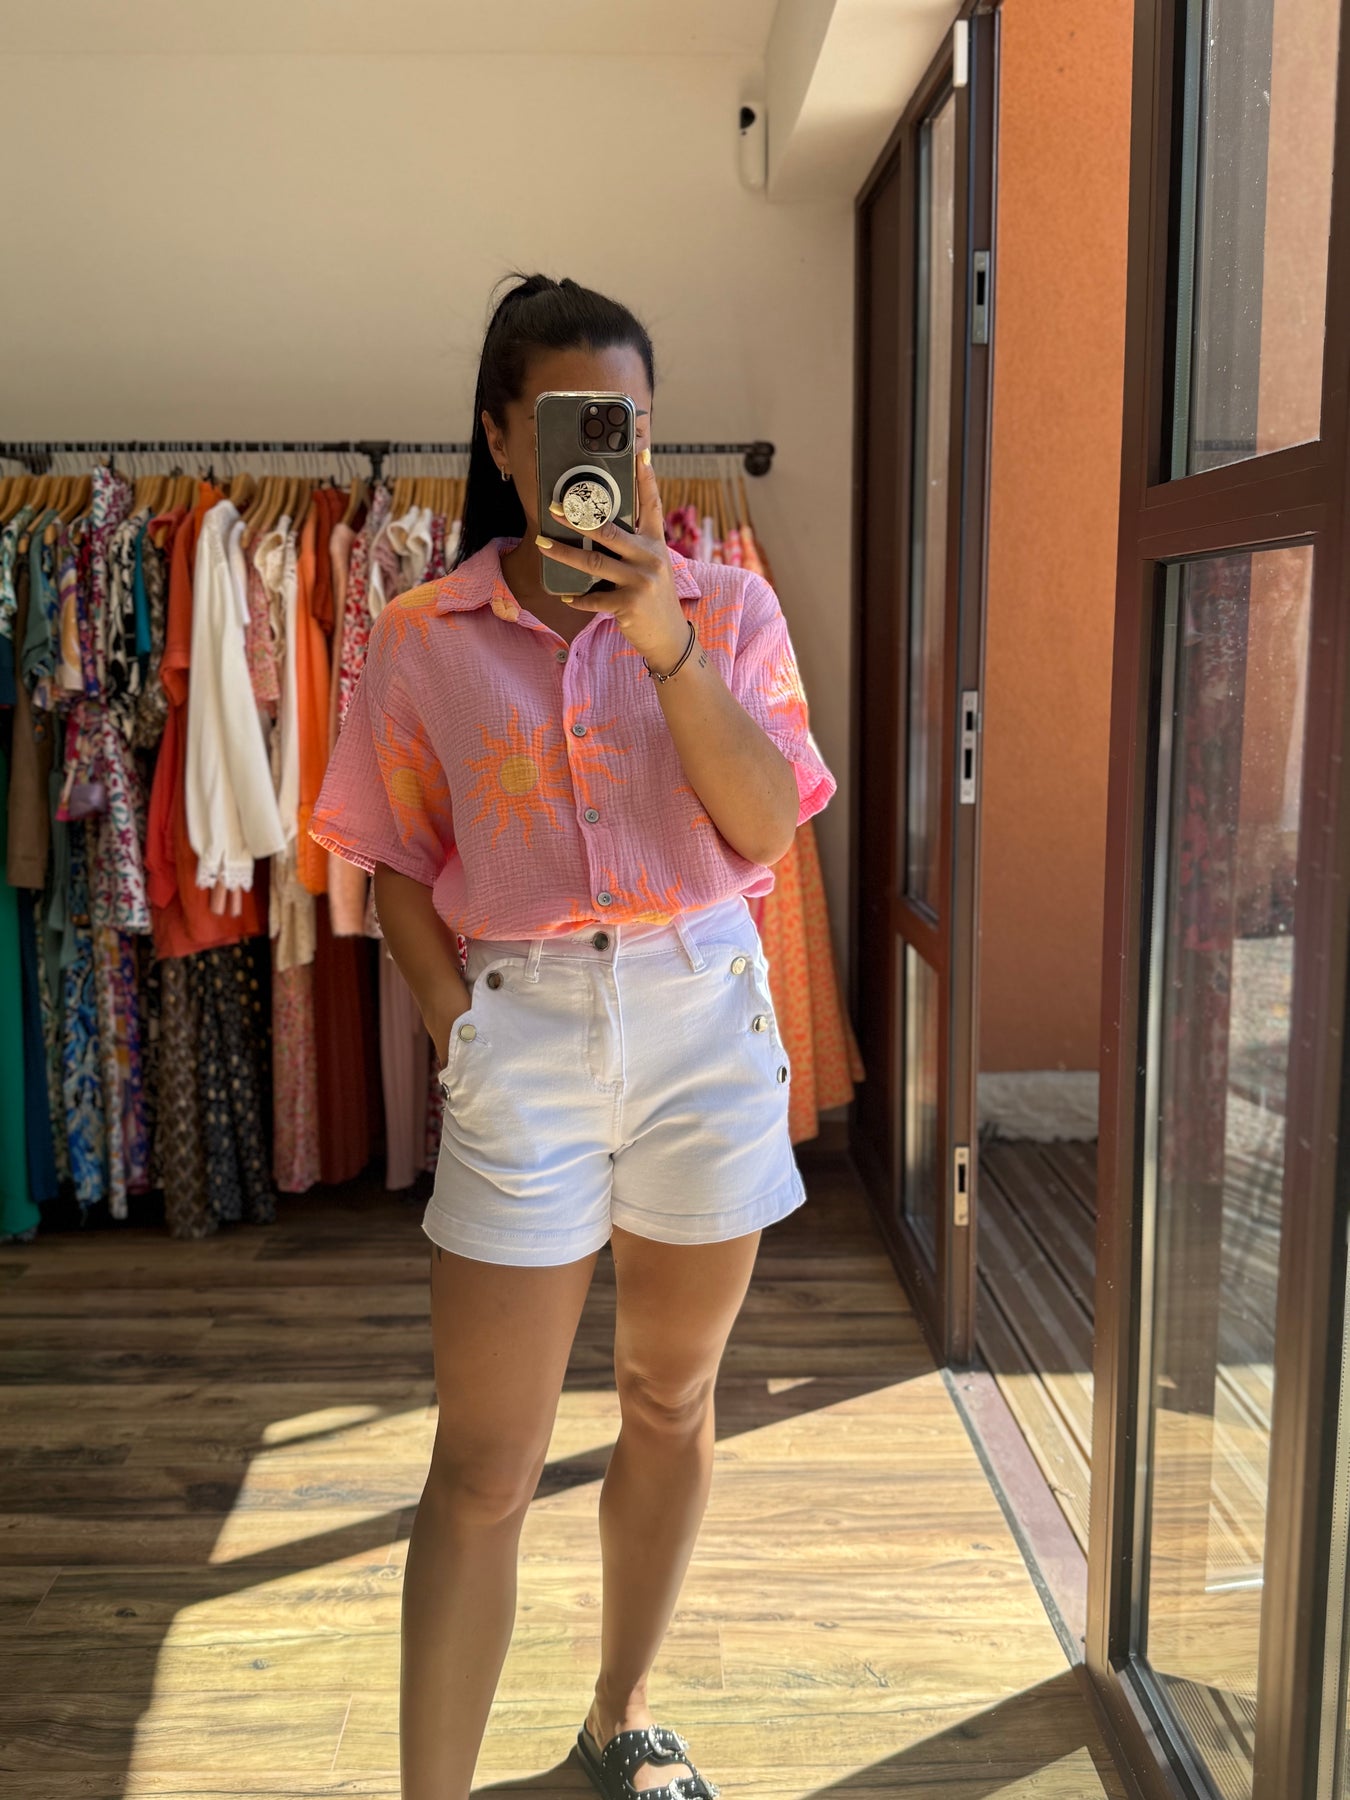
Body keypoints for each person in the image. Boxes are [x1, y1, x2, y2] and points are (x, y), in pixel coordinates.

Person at [310, 272, 836, 1800]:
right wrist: (456, 1030)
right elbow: (389, 861)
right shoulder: (421, 635)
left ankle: (621, 1717)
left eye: (628, 423)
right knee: (483, 1464)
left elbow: (764, 827)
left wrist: (664, 641)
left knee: (670, 1397)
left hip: (700, 1016)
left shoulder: (726, 610)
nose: (606, 452)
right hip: (523, 1033)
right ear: (499, 436)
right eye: (565, 421)